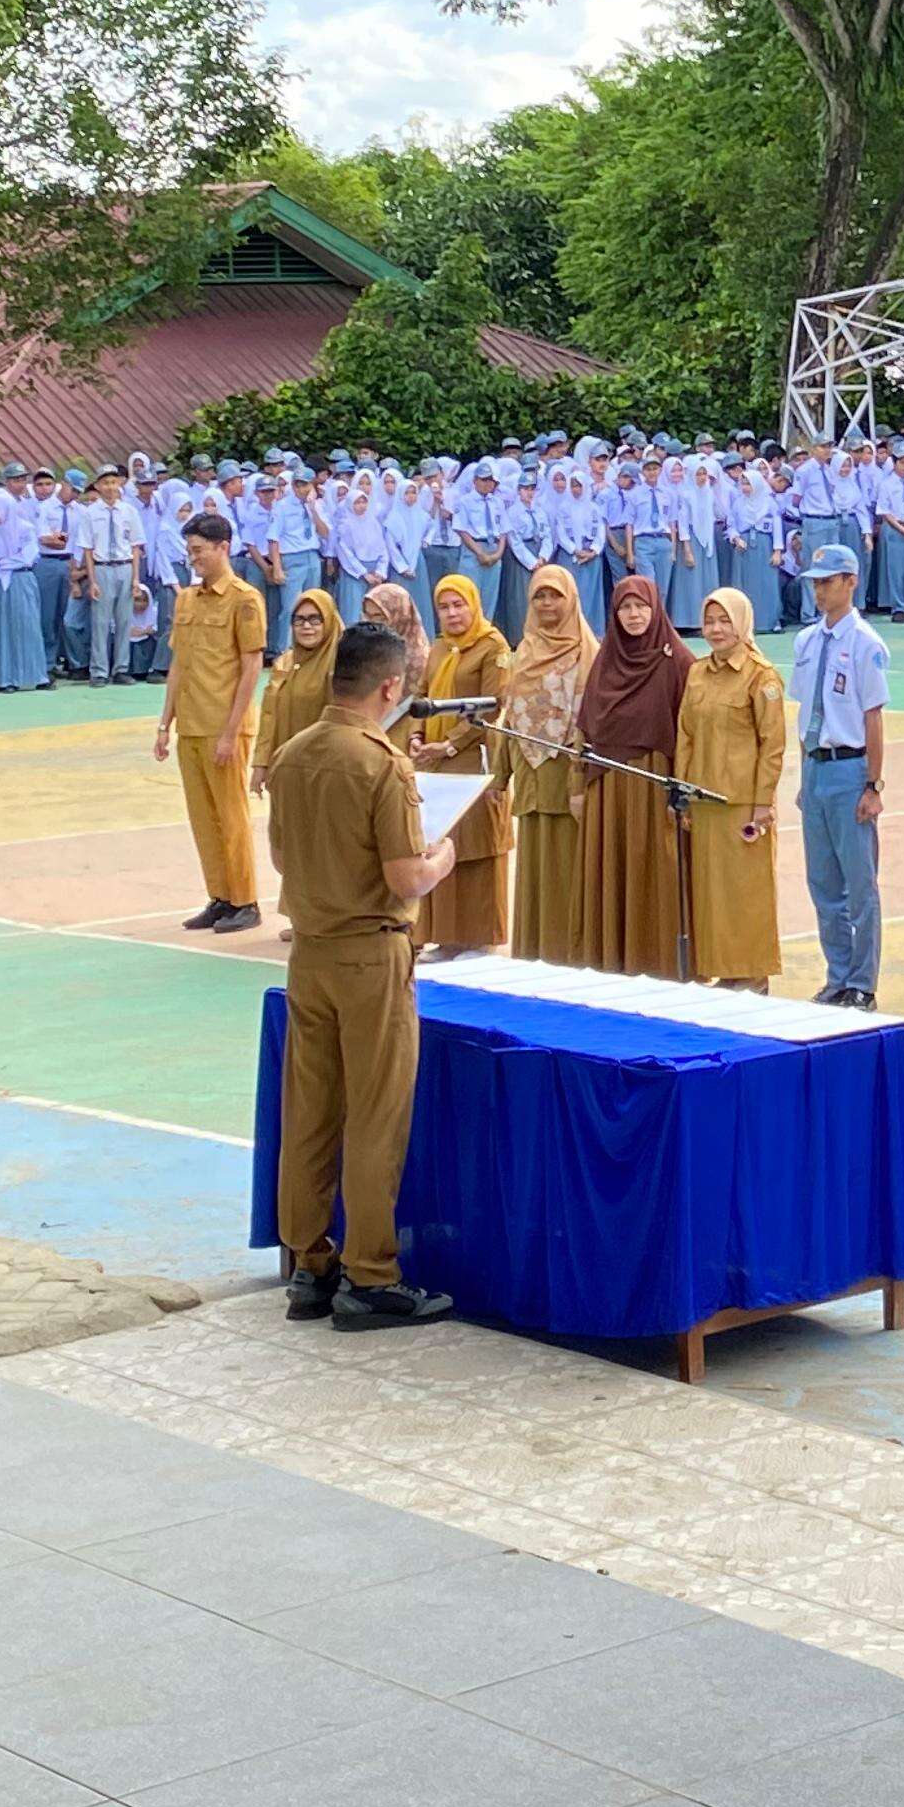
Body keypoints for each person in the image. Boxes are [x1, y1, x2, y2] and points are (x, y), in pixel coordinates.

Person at [267, 620, 460, 1331]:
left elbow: (283, 857)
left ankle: (310, 1264)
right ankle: (372, 1274)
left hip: (310, 952)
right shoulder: (383, 765)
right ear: (390, 687)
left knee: (310, 1115)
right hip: (370, 952)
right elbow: (405, 875)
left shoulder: (291, 754)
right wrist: (442, 857)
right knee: (376, 1116)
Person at [155, 511, 269, 936]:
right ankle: (220, 895)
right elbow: (179, 664)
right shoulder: (186, 599)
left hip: (224, 724)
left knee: (231, 816)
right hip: (191, 723)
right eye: (190, 551)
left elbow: (251, 666)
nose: (194, 558)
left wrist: (231, 731)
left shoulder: (244, 599)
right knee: (203, 817)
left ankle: (245, 899)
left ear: (224, 548)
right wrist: (165, 723)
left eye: (200, 550)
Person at [577, 572, 694, 978]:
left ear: (655, 608)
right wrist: (580, 783)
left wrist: (681, 788)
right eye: (625, 608)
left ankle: (659, 961)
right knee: (614, 868)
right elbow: (587, 727)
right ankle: (613, 957)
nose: (633, 615)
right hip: (609, 786)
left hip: (654, 783)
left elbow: (689, 731)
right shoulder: (606, 662)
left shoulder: (678, 662)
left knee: (655, 867)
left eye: (641, 606)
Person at [789, 546, 892, 1007]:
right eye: (815, 582)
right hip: (817, 766)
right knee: (823, 882)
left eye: (828, 582)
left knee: (859, 883)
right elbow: (804, 712)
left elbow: (873, 717)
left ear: (851, 581)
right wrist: (803, 773)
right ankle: (837, 975)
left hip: (849, 767)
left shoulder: (866, 644)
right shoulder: (807, 641)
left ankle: (863, 982)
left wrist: (873, 784)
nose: (820, 590)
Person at [676, 586, 787, 989]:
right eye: (709, 621)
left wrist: (762, 803)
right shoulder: (697, 673)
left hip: (742, 804)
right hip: (705, 802)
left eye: (725, 621)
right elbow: (685, 735)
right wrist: (684, 794)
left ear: (742, 623)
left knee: (746, 892)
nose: (716, 629)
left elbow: (772, 745)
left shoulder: (761, 676)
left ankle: (752, 973)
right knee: (713, 894)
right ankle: (724, 968)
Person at [405, 572, 514, 958]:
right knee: (440, 846)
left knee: (475, 849)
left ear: (474, 605)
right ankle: (445, 936)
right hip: (434, 764)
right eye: (444, 607)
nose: (452, 614)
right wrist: (417, 735)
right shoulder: (439, 647)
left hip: (473, 762)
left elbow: (493, 704)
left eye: (458, 605)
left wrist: (449, 744)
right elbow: (421, 694)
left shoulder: (492, 646)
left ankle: (478, 937)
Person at [495, 561, 599, 964]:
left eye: (555, 595)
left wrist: (581, 781)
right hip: (530, 774)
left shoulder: (588, 653)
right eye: (539, 595)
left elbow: (593, 722)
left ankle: (571, 954)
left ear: (571, 599)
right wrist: (500, 776)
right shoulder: (523, 652)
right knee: (534, 867)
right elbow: (510, 718)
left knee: (568, 865)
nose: (547, 603)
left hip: (568, 776)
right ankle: (534, 952)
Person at [248, 586, 343, 800]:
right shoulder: (285, 662)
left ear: (329, 621)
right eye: (299, 620)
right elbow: (269, 716)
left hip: (326, 775)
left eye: (315, 619)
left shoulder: (342, 665)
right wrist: (261, 763)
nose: (306, 626)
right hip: (285, 771)